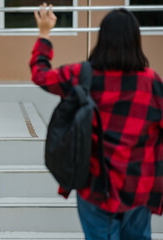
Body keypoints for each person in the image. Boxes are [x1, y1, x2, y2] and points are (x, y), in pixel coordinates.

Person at [31, 3, 163, 240]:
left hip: (95, 188)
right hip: (138, 187)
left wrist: (44, 33)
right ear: (136, 40)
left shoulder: (82, 74)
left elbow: (40, 74)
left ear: (102, 39)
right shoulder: (152, 83)